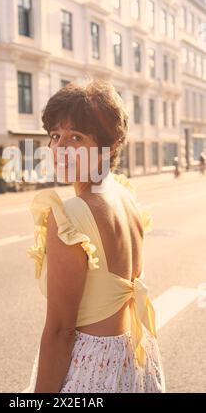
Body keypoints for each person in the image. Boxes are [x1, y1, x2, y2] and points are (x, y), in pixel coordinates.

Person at [25, 80, 165, 393]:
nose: (59, 149)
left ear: (110, 145)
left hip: (90, 368)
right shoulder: (124, 196)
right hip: (129, 358)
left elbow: (61, 331)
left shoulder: (70, 216)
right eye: (55, 136)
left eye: (76, 137)